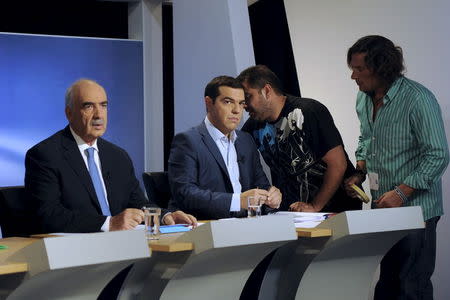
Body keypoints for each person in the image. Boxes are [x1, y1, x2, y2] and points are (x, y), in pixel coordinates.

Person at [345, 35, 449, 299]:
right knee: (388, 284)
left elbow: (438, 154)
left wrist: (401, 193)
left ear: (381, 66)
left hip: (417, 211)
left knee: (410, 286)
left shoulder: (418, 99)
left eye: (359, 69)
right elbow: (367, 138)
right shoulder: (363, 99)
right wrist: (359, 171)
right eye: (352, 69)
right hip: (382, 207)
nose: (353, 76)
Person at [25, 79, 196, 233]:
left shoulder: (118, 156)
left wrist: (166, 216)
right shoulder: (45, 155)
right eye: (89, 106)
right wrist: (109, 223)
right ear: (69, 113)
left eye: (103, 105)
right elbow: (48, 215)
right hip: (75, 251)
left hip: (122, 248)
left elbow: (137, 202)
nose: (99, 115)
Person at [237, 65, 361, 213]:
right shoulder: (252, 127)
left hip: (337, 211)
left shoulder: (309, 111)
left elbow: (338, 164)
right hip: (295, 214)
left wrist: (315, 206)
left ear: (267, 91)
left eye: (248, 96)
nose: (244, 105)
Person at [168, 76, 282, 220]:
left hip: (249, 227)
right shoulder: (188, 141)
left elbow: (261, 186)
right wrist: (238, 201)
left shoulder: (246, 141)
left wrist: (271, 197)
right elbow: (185, 194)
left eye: (241, 104)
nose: (236, 110)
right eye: (228, 102)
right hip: (207, 228)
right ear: (209, 103)